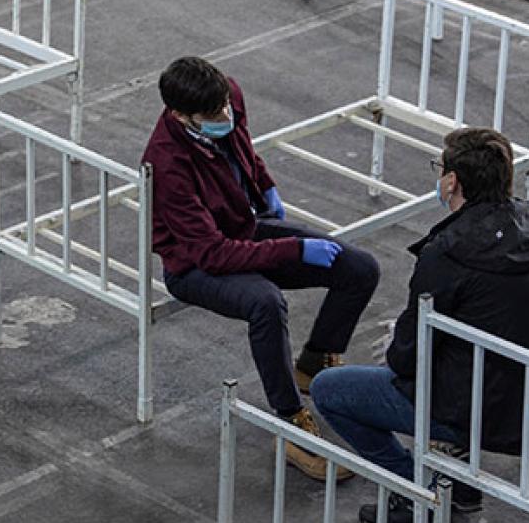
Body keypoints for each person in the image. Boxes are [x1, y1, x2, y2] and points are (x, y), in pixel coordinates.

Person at [308, 125, 529, 523]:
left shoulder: (448, 253)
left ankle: (417, 492)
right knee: (460, 353)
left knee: (329, 389)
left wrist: (399, 338)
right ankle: (457, 481)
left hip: (479, 404)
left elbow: (405, 359)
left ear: (451, 181)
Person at [143, 55, 381, 478]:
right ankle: (289, 421)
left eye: (224, 106)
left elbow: (244, 148)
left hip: (245, 227)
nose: (224, 116)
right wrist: (293, 250)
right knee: (265, 303)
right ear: (180, 116)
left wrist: (265, 186)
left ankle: (314, 364)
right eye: (212, 115)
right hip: (194, 264)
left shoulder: (226, 95)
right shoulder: (167, 164)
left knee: (359, 268)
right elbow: (213, 253)